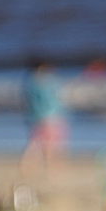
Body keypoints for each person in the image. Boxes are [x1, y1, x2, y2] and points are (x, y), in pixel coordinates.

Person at [20, 60, 68, 189]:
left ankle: (27, 168)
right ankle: (53, 171)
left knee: (34, 144)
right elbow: (56, 100)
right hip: (51, 117)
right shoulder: (47, 83)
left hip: (36, 117)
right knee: (52, 147)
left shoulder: (29, 83)